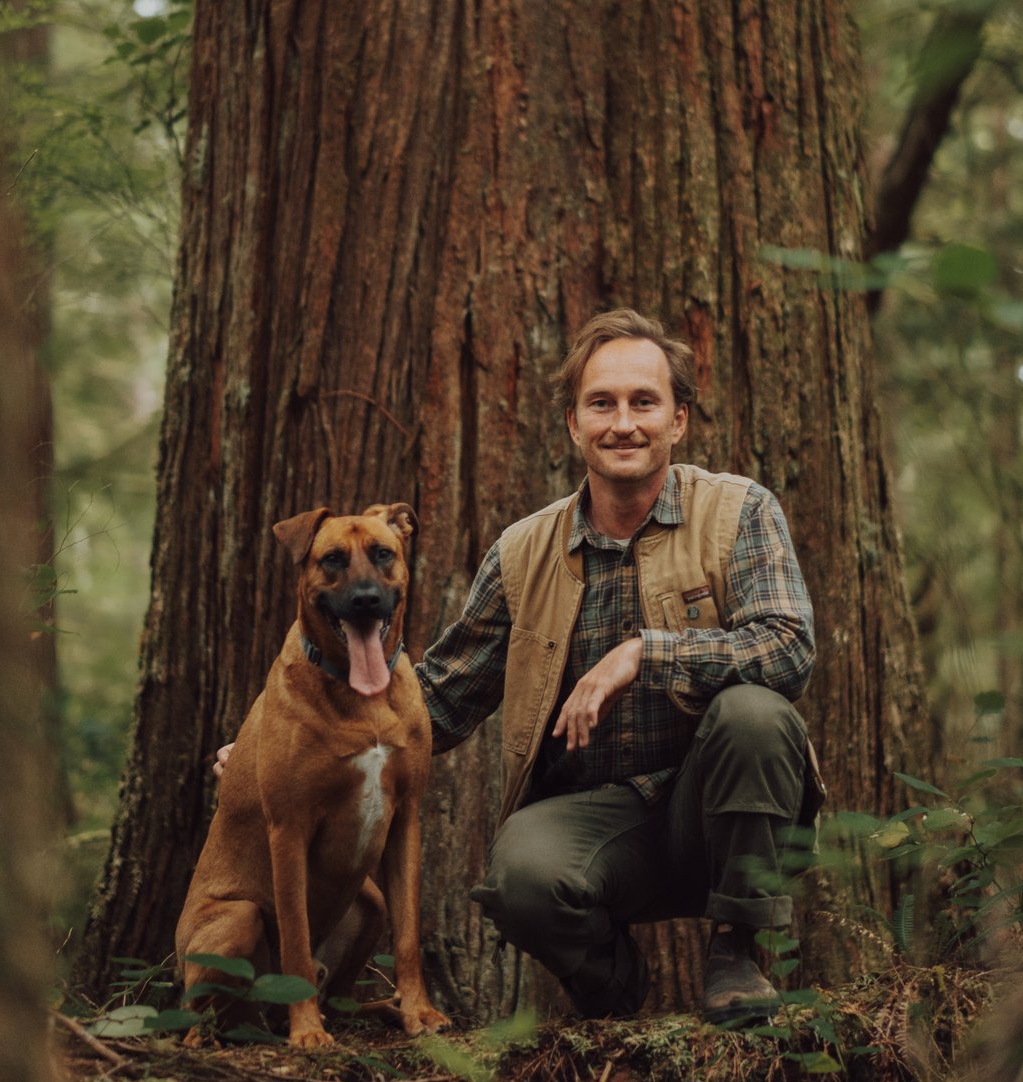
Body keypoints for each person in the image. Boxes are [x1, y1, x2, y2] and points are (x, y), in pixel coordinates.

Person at [217, 308, 818, 1022]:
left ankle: (738, 953)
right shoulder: (522, 552)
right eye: (602, 404)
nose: (623, 423)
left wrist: (645, 653)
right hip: (596, 827)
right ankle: (614, 995)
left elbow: (788, 647)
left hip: (720, 813)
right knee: (520, 880)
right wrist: (276, 746)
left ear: (678, 420)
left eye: (644, 403)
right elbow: (438, 701)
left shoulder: (740, 511)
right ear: (573, 424)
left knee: (754, 715)